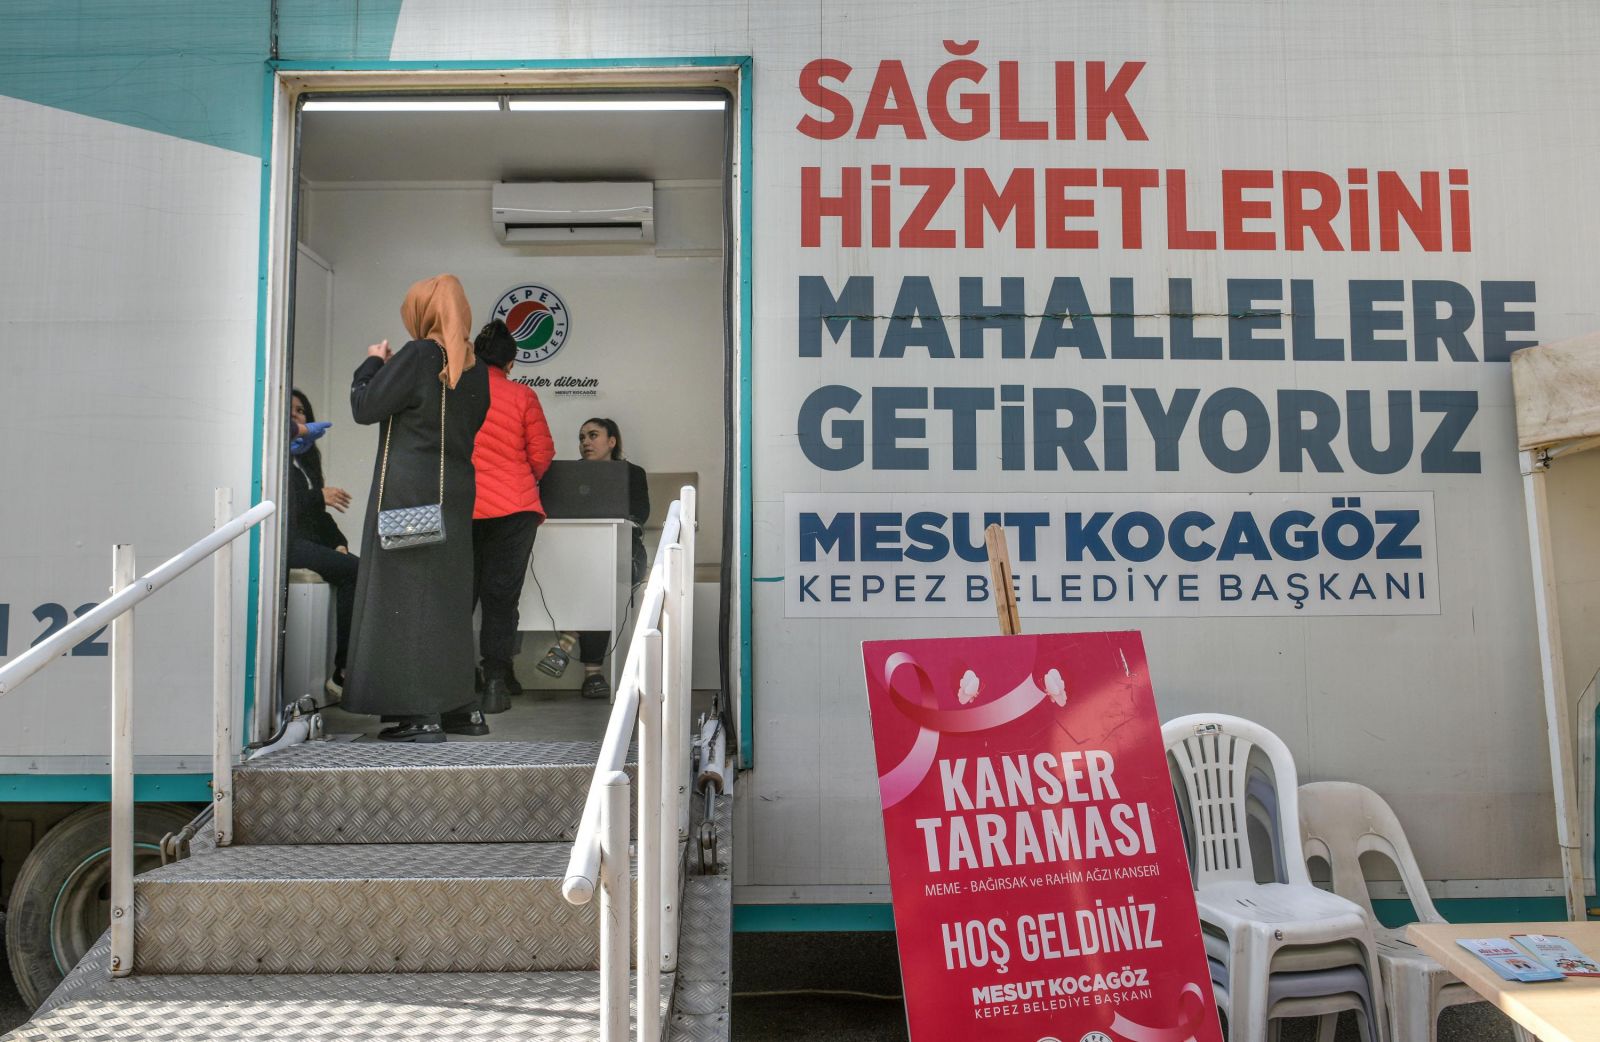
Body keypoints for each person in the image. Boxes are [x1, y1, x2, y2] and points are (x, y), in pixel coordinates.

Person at [342, 274, 490, 742]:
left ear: (422, 313)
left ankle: (419, 713)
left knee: (404, 598)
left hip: (409, 495)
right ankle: (462, 709)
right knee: (445, 600)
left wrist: (372, 362)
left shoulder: (421, 354)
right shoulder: (476, 368)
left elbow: (365, 406)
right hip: (454, 495)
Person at [470, 319, 555, 712]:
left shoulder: (457, 392)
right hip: (514, 509)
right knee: (501, 597)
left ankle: (457, 682)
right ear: (510, 362)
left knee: (460, 596)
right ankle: (496, 683)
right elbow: (541, 453)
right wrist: (518, 479)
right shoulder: (523, 395)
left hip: (465, 507)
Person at [285, 389, 357, 698]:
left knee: (356, 566)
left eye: (301, 410)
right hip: (287, 545)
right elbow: (286, 507)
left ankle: (347, 668)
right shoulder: (275, 460)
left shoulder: (305, 463)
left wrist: (338, 542)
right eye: (290, 410)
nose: (296, 414)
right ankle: (344, 671)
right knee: (356, 571)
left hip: (307, 543)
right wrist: (319, 496)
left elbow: (319, 516)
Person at [574, 417, 649, 700]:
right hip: (579, 551)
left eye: (593, 435)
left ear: (612, 441)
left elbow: (641, 514)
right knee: (592, 576)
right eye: (582, 437)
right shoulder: (570, 474)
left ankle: (585, 662)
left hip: (623, 550)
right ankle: (591, 672)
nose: (585, 442)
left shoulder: (633, 473)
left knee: (599, 578)